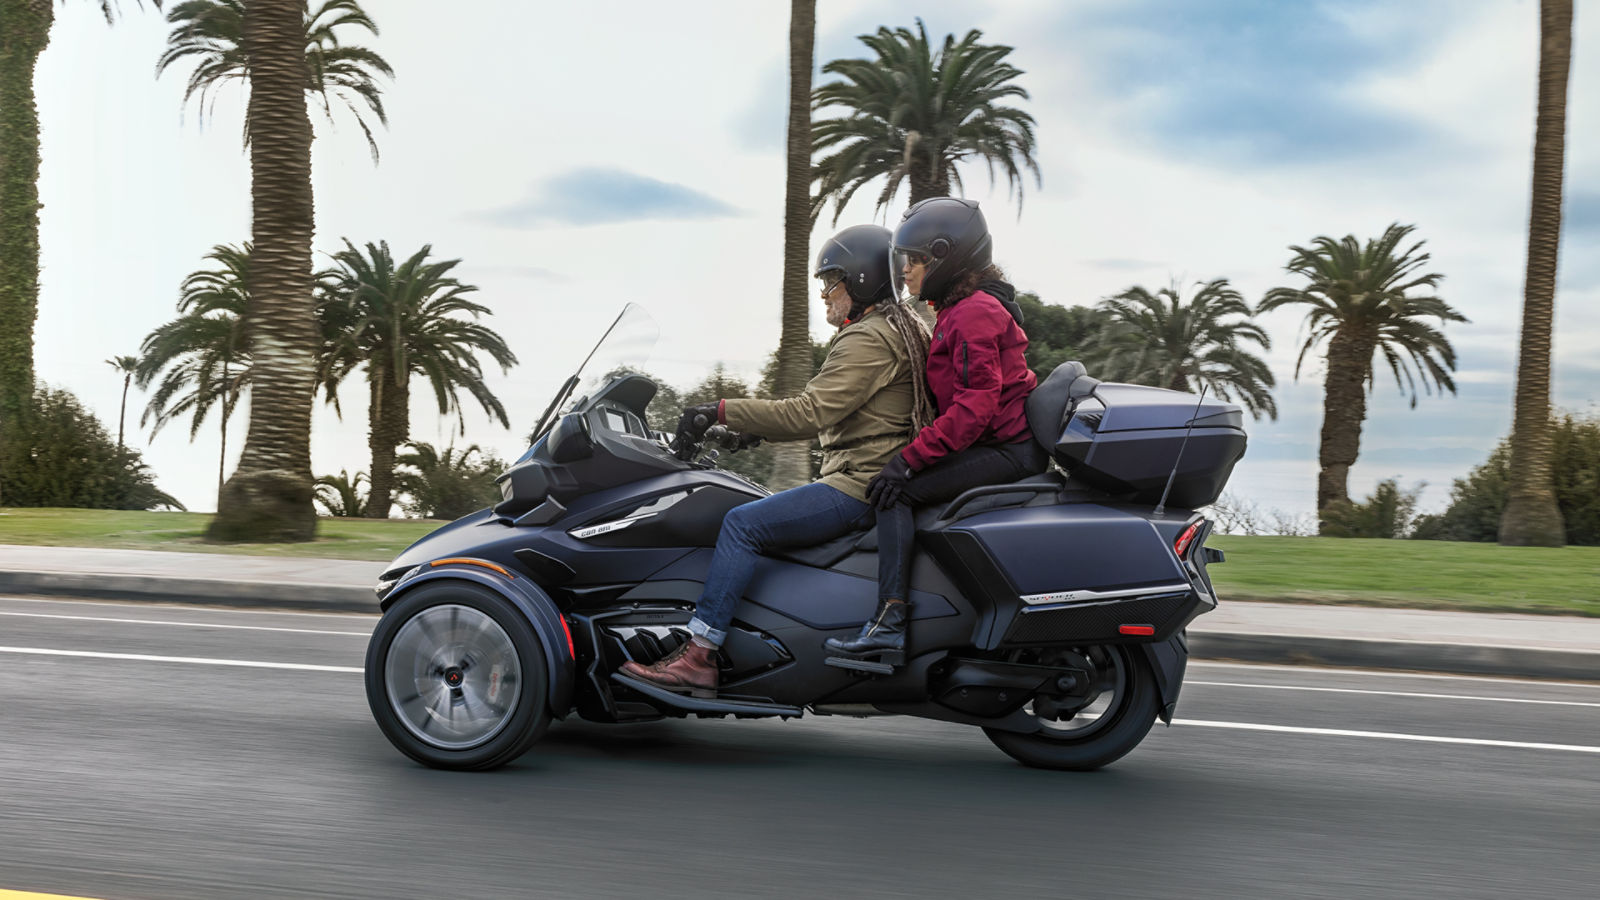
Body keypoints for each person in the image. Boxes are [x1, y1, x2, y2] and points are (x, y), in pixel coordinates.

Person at [620, 224, 935, 697]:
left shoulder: (867, 338)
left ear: (861, 280)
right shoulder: (898, 328)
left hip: (858, 486)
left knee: (742, 524)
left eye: (831, 281)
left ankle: (699, 656)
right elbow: (854, 418)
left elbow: (810, 412)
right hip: (875, 474)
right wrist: (747, 431)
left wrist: (718, 408)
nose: (825, 294)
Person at [825, 198, 1048, 664]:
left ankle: (890, 622)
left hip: (1007, 448)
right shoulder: (959, 307)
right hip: (998, 441)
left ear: (947, 257)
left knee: (894, 491)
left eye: (916, 259)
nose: (904, 270)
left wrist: (905, 462)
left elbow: (975, 407)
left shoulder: (972, 313)